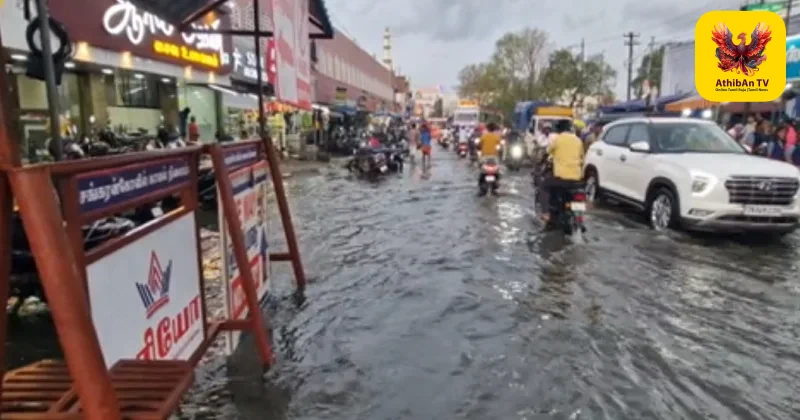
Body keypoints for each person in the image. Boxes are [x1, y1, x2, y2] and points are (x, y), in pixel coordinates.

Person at [538, 119, 585, 223]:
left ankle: (546, 213)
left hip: (561, 178)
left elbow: (547, 152)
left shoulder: (558, 139)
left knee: (544, 186)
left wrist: (540, 162)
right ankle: (579, 217)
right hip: (577, 179)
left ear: (559, 129)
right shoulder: (578, 140)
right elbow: (582, 157)